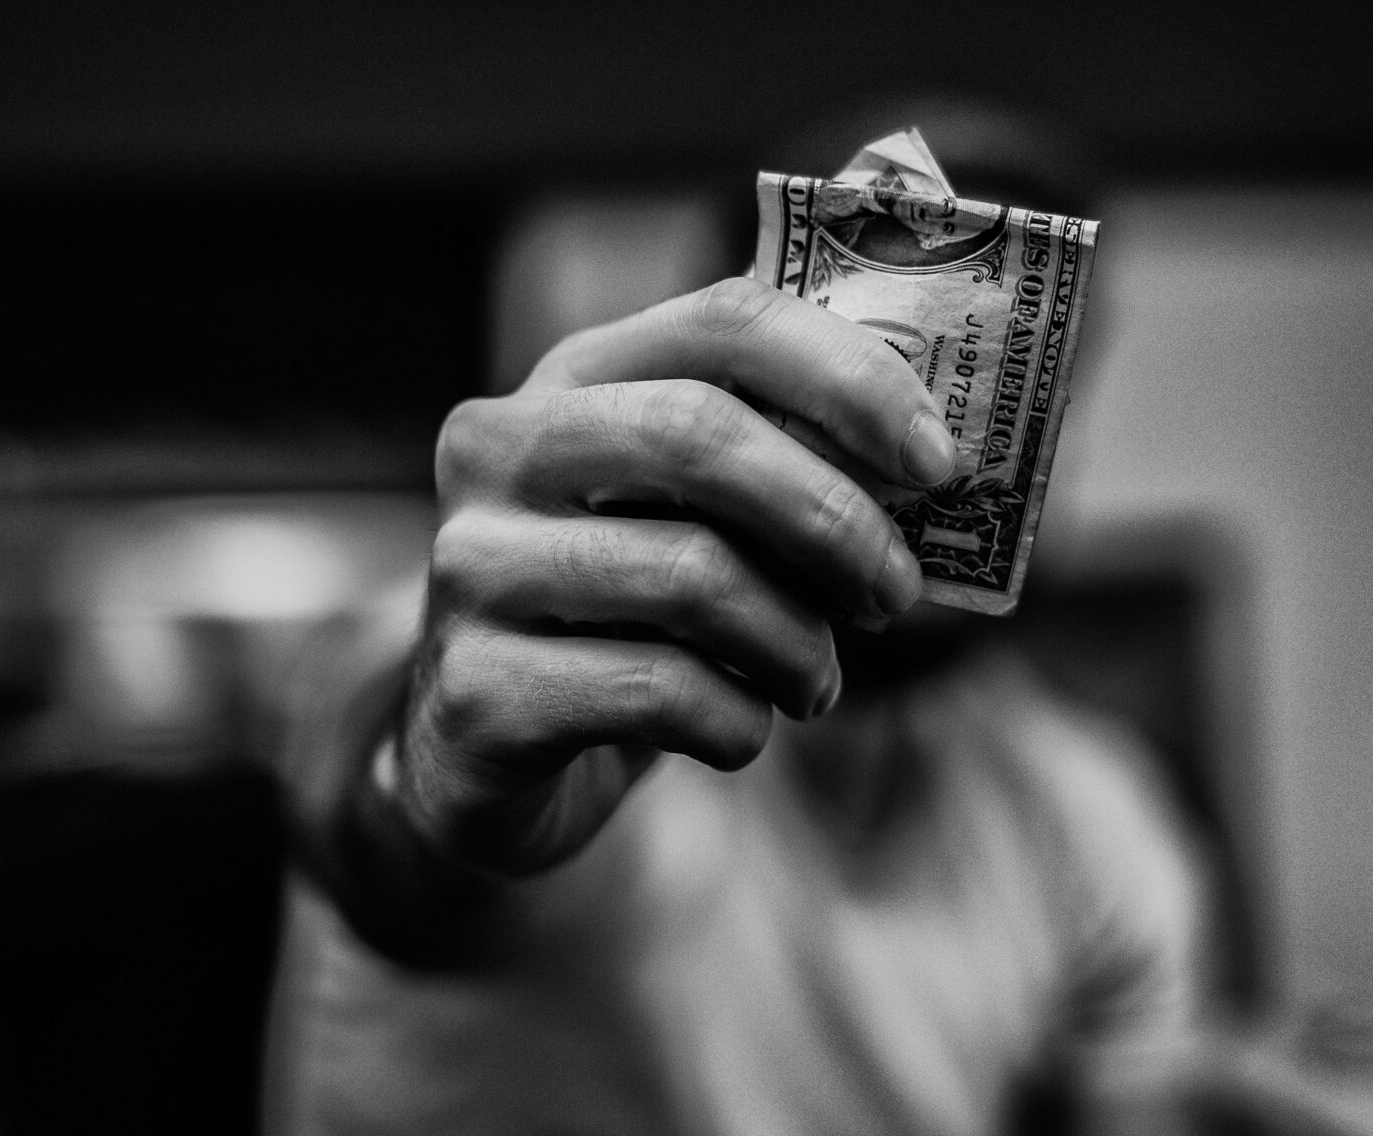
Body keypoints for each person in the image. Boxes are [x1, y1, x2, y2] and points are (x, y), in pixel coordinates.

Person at [266, 277, 1215, 1136]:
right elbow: (373, 820)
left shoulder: (1093, 813)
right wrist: (436, 787)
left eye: (1010, 377)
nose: (939, 435)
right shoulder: (537, 640)